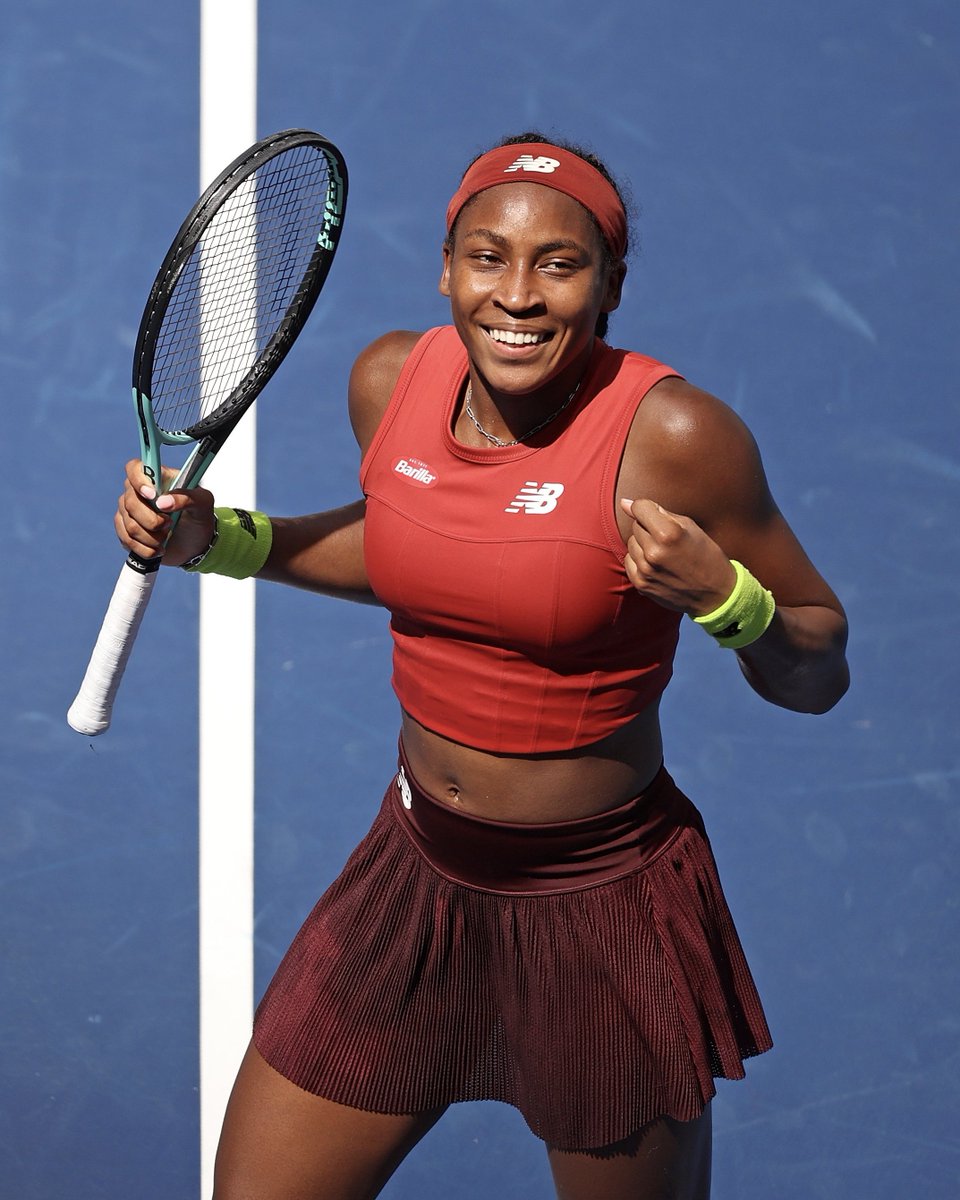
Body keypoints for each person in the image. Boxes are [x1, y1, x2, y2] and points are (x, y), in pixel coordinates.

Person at [116, 132, 849, 1200]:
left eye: (560, 262)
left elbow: (818, 665)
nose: (517, 295)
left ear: (610, 285)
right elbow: (419, 550)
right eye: (487, 257)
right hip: (411, 877)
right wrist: (221, 540)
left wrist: (726, 604)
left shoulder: (678, 438)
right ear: (447, 267)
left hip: (600, 907)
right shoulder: (390, 380)